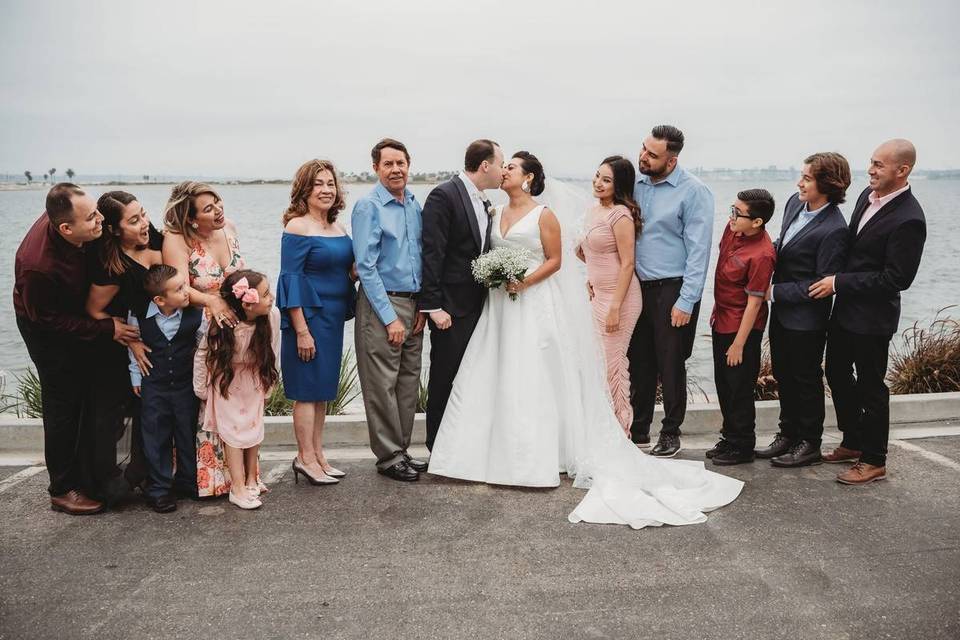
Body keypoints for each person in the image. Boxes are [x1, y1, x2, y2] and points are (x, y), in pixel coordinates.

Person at [428, 152, 742, 529]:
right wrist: (495, 276)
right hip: (499, 307)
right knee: (493, 372)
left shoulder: (544, 215)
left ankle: (546, 453)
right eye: (504, 165)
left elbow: (556, 261)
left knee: (536, 373)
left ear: (528, 178)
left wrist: (522, 280)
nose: (505, 170)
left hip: (532, 302)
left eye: (512, 166)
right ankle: (482, 453)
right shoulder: (495, 212)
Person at [13, 183, 139, 515]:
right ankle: (62, 489)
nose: (99, 220)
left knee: (91, 393)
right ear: (66, 228)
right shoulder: (37, 265)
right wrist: (105, 327)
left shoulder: (76, 220)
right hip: (47, 330)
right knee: (62, 404)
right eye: (91, 218)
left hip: (78, 312)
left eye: (97, 212)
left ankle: (92, 473)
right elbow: (49, 323)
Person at [811, 139, 926, 485]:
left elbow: (896, 279)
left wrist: (839, 283)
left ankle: (874, 459)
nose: (870, 170)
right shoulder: (866, 195)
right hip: (845, 310)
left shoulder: (910, 219)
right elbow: (850, 245)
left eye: (879, 165)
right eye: (871, 163)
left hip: (873, 318)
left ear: (902, 170)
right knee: (836, 372)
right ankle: (853, 440)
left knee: (872, 387)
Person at [755, 154, 850, 467]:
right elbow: (783, 243)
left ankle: (809, 443)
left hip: (806, 320)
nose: (800, 182)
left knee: (806, 380)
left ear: (826, 185)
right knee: (783, 374)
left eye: (807, 178)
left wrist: (773, 292)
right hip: (782, 315)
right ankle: (788, 435)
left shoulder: (835, 228)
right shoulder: (794, 204)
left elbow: (820, 284)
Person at [628, 125, 715, 457]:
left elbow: (699, 251)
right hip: (637, 290)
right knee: (640, 364)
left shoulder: (694, 192)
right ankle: (638, 430)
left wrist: (687, 300)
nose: (643, 157)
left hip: (672, 289)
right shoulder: (634, 184)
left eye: (652, 154)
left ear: (672, 159)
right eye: (643, 149)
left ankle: (670, 433)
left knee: (671, 364)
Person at [162, 181, 248, 497]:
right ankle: (209, 477)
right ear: (191, 218)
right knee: (209, 402)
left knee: (237, 396)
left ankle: (242, 474)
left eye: (218, 202)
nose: (219, 210)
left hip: (239, 326)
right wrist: (212, 301)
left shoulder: (230, 228)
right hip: (202, 329)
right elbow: (179, 289)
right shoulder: (177, 240)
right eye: (209, 208)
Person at [419, 139, 503, 451]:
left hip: (479, 305)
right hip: (450, 309)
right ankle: (436, 447)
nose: (502, 171)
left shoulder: (483, 201)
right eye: (500, 164)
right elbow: (432, 253)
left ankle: (462, 444)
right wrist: (432, 306)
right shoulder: (445, 195)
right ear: (485, 165)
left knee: (470, 377)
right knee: (445, 376)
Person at [351, 138, 427, 482]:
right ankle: (388, 456)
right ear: (376, 169)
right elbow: (365, 267)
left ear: (409, 165)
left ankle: (403, 450)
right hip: (383, 304)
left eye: (401, 163)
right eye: (388, 164)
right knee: (382, 383)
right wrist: (390, 317)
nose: (396, 169)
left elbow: (422, 257)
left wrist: (424, 305)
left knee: (409, 381)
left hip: (414, 303)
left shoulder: (413, 204)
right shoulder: (369, 207)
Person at [278, 159, 355, 485]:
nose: (326, 190)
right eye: (318, 184)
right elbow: (290, 280)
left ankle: (318, 455)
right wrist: (301, 331)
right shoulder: (298, 226)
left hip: (333, 319)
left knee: (322, 392)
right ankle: (304, 458)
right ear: (304, 190)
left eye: (330, 183)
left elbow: (341, 270)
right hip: (308, 320)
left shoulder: (338, 228)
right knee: (306, 392)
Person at [85, 190, 164, 501]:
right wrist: (127, 337)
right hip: (124, 350)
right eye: (134, 221)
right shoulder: (113, 267)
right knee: (120, 414)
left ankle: (152, 475)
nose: (144, 223)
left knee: (157, 411)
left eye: (143, 214)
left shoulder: (155, 238)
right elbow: (94, 310)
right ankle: (115, 482)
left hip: (162, 341)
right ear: (115, 230)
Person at [194, 270, 280, 509]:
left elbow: (274, 350)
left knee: (253, 426)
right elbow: (203, 354)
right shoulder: (222, 323)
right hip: (227, 381)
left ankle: (252, 478)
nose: (271, 297)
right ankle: (237, 487)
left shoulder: (272, 316)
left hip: (254, 377)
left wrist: (270, 382)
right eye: (265, 294)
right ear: (247, 304)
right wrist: (201, 389)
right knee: (232, 433)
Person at [706, 190, 776, 465]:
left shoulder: (762, 254)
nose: (731, 216)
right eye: (732, 209)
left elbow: (754, 303)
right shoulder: (733, 230)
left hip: (742, 328)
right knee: (723, 383)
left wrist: (739, 344)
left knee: (739, 387)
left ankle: (743, 445)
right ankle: (729, 437)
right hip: (720, 319)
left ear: (757, 222)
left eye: (738, 213)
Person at [128, 265, 205, 513]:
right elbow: (133, 348)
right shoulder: (139, 315)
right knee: (156, 435)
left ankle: (188, 481)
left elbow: (203, 347)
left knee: (186, 432)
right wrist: (136, 379)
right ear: (160, 299)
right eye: (179, 289)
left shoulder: (196, 314)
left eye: (185, 286)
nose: (186, 292)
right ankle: (159, 489)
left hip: (185, 385)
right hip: (154, 384)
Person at [576, 155, 643, 433]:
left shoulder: (620, 214)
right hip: (599, 295)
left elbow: (628, 263)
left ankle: (621, 432)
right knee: (597, 364)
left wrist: (615, 305)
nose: (598, 183)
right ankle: (603, 431)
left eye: (607, 180)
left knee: (612, 365)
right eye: (597, 176)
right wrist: (590, 279)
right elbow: (589, 252)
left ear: (619, 185)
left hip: (622, 299)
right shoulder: (593, 211)